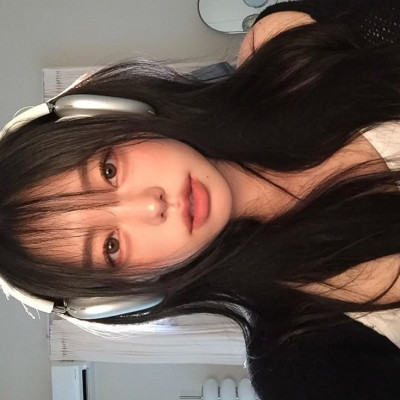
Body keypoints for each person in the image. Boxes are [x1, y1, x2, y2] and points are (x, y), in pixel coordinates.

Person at [2, 0, 400, 398]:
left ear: (115, 114)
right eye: (111, 246)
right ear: (129, 291)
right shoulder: (301, 366)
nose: (151, 206)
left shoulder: (290, 47)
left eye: (108, 171)